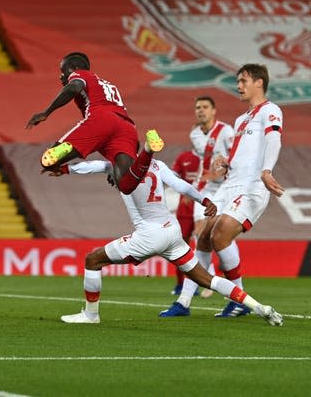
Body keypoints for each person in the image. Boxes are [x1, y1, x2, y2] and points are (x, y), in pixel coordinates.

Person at [53, 159, 282, 326]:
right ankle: (259, 307)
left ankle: (91, 315)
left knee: (93, 260)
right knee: (207, 279)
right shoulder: (157, 164)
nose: (111, 177)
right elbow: (181, 185)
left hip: (149, 237)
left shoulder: (119, 164)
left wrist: (64, 168)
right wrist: (204, 200)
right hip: (172, 232)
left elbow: (94, 166)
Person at [164, 64, 284, 319]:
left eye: (243, 81)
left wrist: (267, 171)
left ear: (259, 83)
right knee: (204, 236)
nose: (238, 86)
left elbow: (274, 139)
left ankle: (238, 300)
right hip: (231, 185)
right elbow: (244, 153)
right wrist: (226, 161)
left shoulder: (271, 110)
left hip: (252, 186)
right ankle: (184, 303)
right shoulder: (242, 119)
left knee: (220, 234)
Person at [25, 51, 164, 194]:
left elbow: (74, 87)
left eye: (63, 71)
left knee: (47, 161)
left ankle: (67, 147)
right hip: (127, 127)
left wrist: (46, 112)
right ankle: (149, 149)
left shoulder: (81, 74)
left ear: (73, 68)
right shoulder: (109, 85)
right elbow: (131, 144)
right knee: (125, 185)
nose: (61, 76)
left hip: (101, 119)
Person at [163, 96, 235, 305]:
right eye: (197, 107)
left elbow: (237, 158)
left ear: (214, 110)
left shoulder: (226, 132)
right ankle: (192, 294)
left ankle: (222, 278)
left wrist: (218, 173)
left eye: (205, 107)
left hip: (226, 189)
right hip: (205, 192)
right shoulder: (195, 133)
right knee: (200, 234)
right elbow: (206, 161)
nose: (200, 111)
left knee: (217, 238)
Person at [169, 147, 200, 295]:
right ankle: (181, 284)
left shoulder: (213, 158)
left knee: (206, 245)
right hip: (185, 209)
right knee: (181, 246)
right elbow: (171, 177)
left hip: (205, 208)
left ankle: (202, 283)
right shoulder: (184, 157)